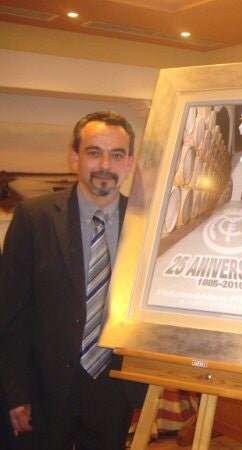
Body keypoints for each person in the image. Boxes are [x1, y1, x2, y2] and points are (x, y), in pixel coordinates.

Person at [0, 111, 147, 449]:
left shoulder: (147, 225)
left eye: (117, 155)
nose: (105, 165)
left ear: (129, 162)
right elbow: (10, 313)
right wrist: (15, 392)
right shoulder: (34, 217)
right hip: (43, 389)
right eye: (94, 152)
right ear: (74, 157)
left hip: (114, 387)